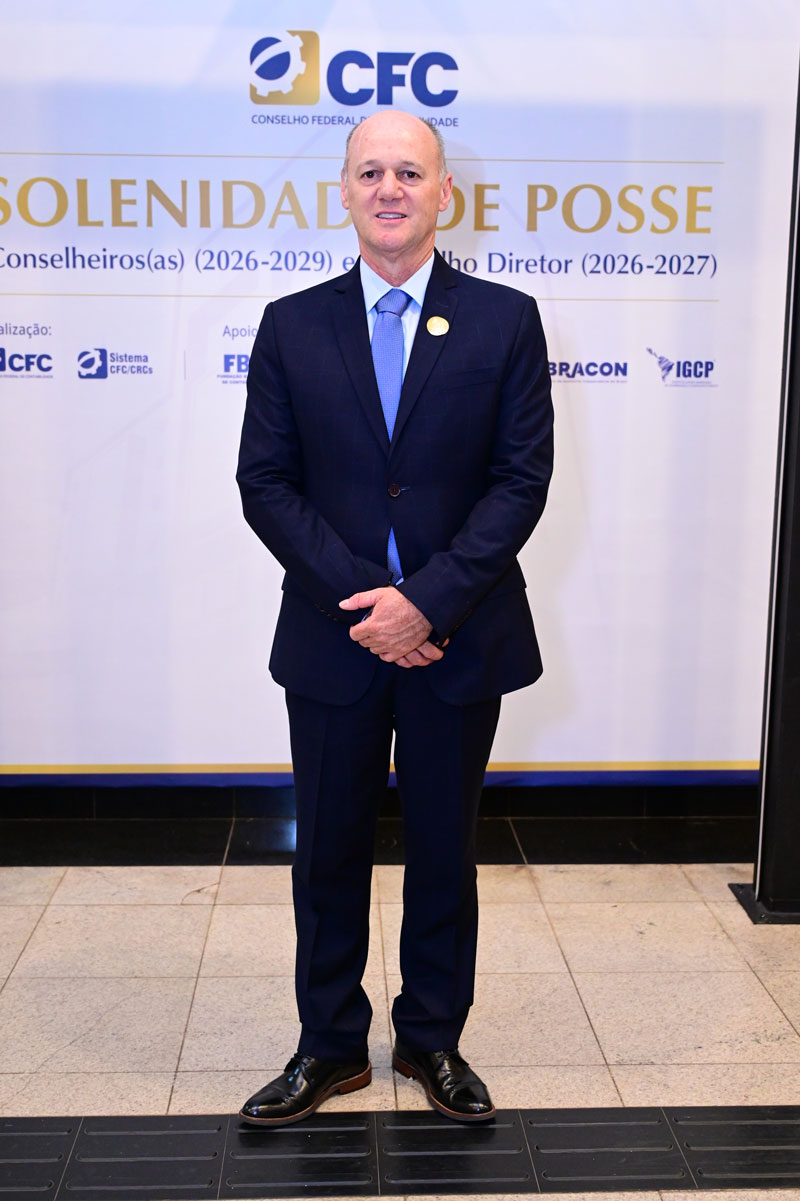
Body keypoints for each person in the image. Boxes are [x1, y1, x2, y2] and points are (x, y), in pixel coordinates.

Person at [236, 110, 553, 1126]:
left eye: (408, 172)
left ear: (443, 191)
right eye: (369, 171)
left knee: (441, 849)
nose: (388, 189)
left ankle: (431, 1037)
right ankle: (328, 1044)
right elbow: (265, 482)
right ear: (342, 189)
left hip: (457, 635)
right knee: (327, 849)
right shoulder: (292, 323)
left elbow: (520, 480)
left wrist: (427, 601)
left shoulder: (505, 319)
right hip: (334, 639)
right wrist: (371, 604)